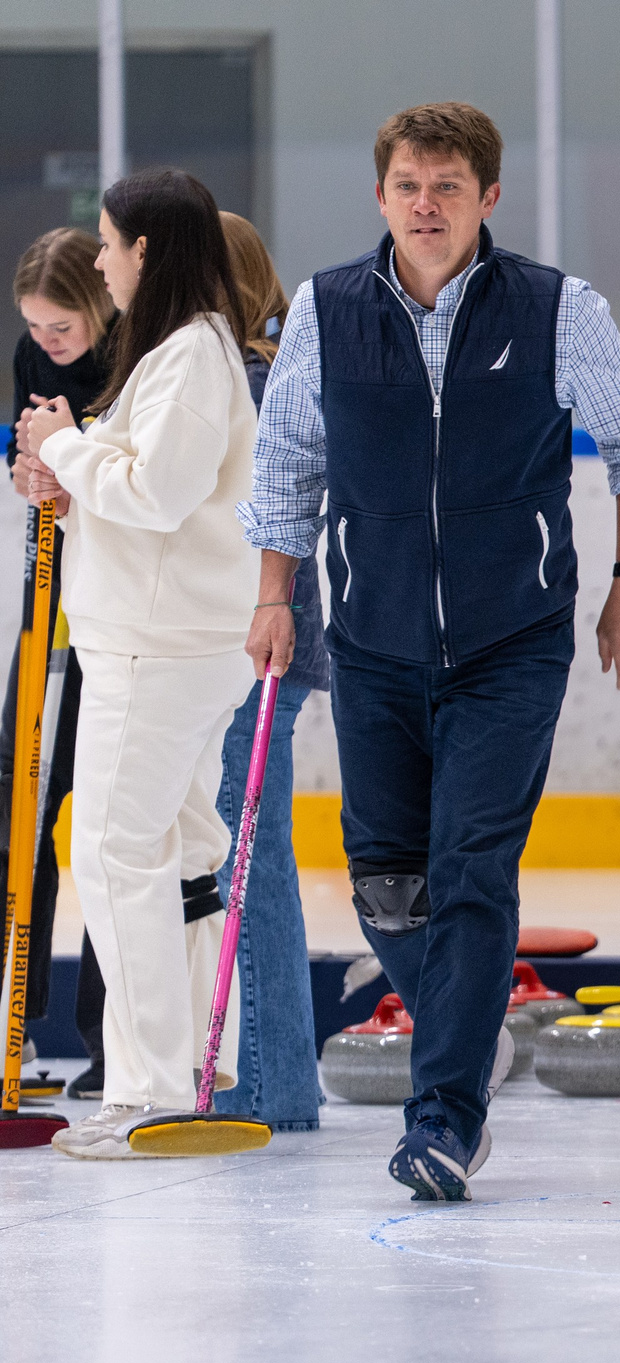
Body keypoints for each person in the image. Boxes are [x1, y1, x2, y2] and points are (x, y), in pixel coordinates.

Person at [241, 102, 620, 1202]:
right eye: (406, 187)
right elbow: (288, 462)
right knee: (386, 883)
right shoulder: (328, 312)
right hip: (372, 638)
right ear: (380, 196)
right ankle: (466, 1026)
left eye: (447, 187)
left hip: (512, 639)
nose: (425, 206)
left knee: (472, 866)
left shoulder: (555, 309)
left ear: (488, 196)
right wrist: (275, 598)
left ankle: (445, 1116)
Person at [16, 169, 261, 1156]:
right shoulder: (174, 354)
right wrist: (74, 477)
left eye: (110, 243)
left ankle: (148, 1090)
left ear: (147, 250)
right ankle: (199, 1067)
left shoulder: (191, 357)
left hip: (155, 649)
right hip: (170, 638)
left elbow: (156, 495)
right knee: (183, 853)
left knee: (116, 856)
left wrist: (65, 446)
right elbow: (152, 495)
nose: (102, 261)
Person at [206, 211, 326, 1132]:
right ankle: (273, 1069)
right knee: (246, 846)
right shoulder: (246, 372)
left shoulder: (247, 381)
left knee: (248, 850)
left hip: (257, 642)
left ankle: (274, 1076)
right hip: (252, 639)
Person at [10, 227, 118, 1096]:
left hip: (118, 611)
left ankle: (109, 1038)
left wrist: (66, 457)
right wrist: (34, 466)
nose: (46, 344)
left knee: (110, 821)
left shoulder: (137, 352)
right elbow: (32, 469)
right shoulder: (30, 353)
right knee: (19, 795)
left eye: (59, 327)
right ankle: (16, 1014)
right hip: (48, 598)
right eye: (34, 328)